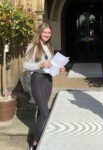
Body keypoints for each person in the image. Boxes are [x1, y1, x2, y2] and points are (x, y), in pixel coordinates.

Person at [23, 22, 65, 150]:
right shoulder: (32, 46)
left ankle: (40, 136)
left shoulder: (49, 46)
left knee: (42, 112)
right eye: (45, 32)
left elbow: (51, 65)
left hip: (48, 80)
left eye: (49, 32)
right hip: (37, 80)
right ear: (40, 32)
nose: (47, 34)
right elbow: (25, 65)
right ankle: (34, 142)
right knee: (46, 112)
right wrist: (40, 65)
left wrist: (59, 69)